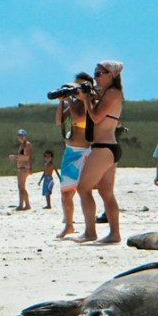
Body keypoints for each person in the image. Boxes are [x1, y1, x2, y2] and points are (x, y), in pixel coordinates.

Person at [72, 60, 124, 244]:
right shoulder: (107, 93)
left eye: (99, 74)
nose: (96, 78)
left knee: (83, 188)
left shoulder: (112, 93)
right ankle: (114, 234)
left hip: (103, 148)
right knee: (106, 192)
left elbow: (95, 117)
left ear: (111, 74)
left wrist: (86, 100)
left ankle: (90, 232)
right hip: (109, 147)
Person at [54, 72, 93, 238]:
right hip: (70, 151)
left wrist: (70, 99)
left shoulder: (89, 102)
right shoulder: (75, 103)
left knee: (84, 191)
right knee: (66, 192)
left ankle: (88, 226)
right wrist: (61, 103)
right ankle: (68, 225)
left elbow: (78, 120)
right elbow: (59, 121)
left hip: (84, 151)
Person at [8, 129, 32, 211]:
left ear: (25, 136)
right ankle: (24, 204)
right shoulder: (22, 145)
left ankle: (24, 205)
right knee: (21, 187)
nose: (21, 137)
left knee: (21, 187)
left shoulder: (26, 145)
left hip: (24, 168)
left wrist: (15, 157)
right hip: (21, 167)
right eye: (19, 135)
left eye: (22, 135)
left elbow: (26, 156)